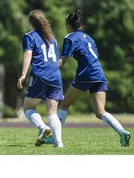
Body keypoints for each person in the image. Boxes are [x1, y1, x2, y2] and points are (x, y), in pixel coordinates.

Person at [44, 9, 131, 147]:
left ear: (68, 25)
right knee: (100, 111)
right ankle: (122, 132)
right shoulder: (89, 37)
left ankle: (55, 138)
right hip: (99, 74)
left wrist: (46, 66)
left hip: (86, 74)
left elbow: (61, 63)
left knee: (64, 105)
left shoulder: (69, 38)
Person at [17, 10, 64, 148]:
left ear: (30, 23)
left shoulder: (29, 37)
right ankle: (59, 143)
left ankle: (43, 128)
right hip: (55, 76)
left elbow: (27, 54)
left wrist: (23, 74)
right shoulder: (52, 39)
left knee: (28, 108)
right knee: (52, 113)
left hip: (40, 75)